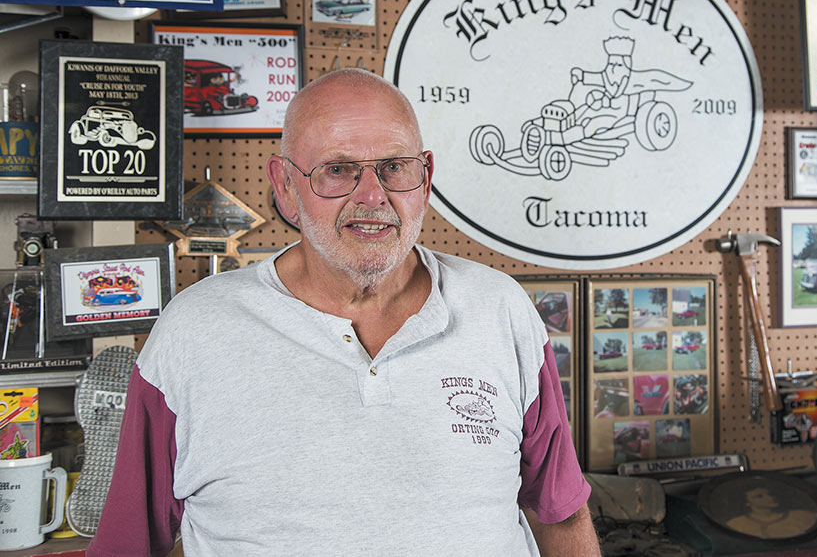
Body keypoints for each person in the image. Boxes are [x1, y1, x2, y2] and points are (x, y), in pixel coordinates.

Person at [87, 68, 599, 556]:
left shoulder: (501, 309)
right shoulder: (193, 332)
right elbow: (127, 545)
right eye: (337, 170)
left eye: (394, 168)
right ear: (285, 186)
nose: (373, 196)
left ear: (425, 179)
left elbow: (560, 512)